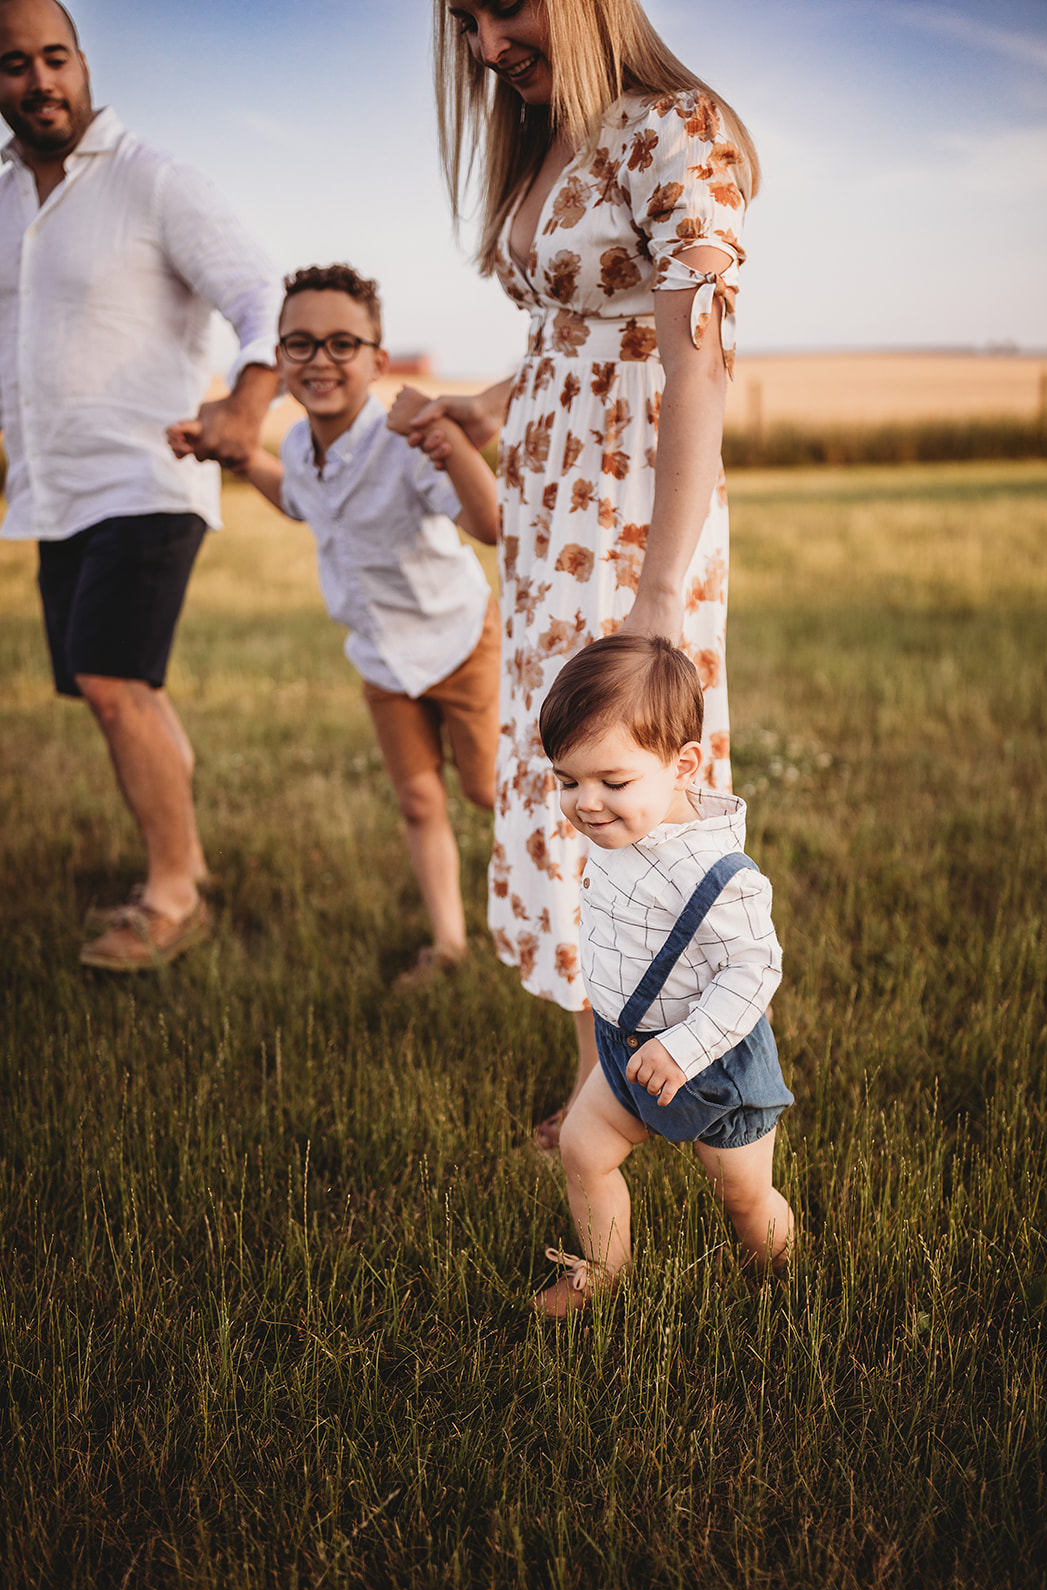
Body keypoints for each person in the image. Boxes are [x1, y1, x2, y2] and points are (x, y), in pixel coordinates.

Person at [403, 0, 758, 1143]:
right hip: (550, 508)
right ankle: (597, 1077)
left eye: (502, 11)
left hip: (624, 518)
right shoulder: (545, 130)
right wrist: (487, 406)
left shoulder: (677, 128)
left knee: (623, 778)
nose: (484, 46)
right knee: (564, 773)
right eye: (464, 22)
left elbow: (695, 363)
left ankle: (656, 1088)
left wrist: (657, 596)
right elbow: (569, 330)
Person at [0, 0, 281, 969]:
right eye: (14, 65)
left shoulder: (151, 181)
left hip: (151, 472)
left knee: (113, 682)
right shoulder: (2, 199)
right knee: (109, 684)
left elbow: (260, 295)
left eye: (54, 58)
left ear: (82, 64)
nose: (38, 82)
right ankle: (182, 858)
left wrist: (245, 408)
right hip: (53, 486)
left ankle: (172, 893)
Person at [172, 265, 501, 985]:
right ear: (279, 361)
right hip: (381, 657)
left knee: (487, 791)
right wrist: (234, 454)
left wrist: (454, 443)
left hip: (459, 643)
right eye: (300, 344)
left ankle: (558, 913)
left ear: (378, 361)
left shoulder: (405, 441)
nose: (320, 359)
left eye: (342, 343)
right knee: (418, 799)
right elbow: (298, 500)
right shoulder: (295, 444)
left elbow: (489, 523)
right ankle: (448, 945)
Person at [533, 634, 793, 1316]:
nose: (585, 803)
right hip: (625, 1047)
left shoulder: (715, 873)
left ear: (683, 766)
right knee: (582, 1150)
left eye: (611, 782)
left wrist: (682, 1047)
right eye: (567, 781)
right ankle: (603, 1274)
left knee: (739, 1195)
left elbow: (753, 970)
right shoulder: (621, 828)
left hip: (711, 1065)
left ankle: (778, 1280)